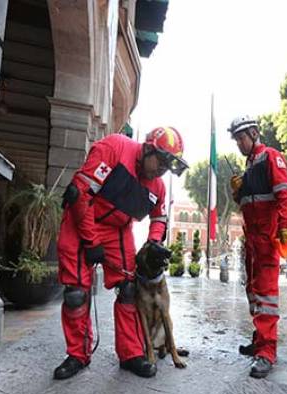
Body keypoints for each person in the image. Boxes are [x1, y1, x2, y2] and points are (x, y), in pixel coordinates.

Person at [53, 127, 189, 380]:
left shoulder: (157, 187)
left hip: (117, 229)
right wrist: (91, 241)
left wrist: (153, 244)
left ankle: (131, 354)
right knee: (75, 294)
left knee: (129, 289)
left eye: (166, 168)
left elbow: (159, 217)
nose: (160, 171)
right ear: (147, 148)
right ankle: (77, 355)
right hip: (81, 219)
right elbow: (79, 194)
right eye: (159, 162)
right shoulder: (114, 148)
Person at [228, 115, 287, 379]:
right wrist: (238, 192)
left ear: (255, 133)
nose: (239, 144)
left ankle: (267, 352)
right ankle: (259, 338)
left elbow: (284, 193)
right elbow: (249, 202)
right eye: (236, 141)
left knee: (266, 295)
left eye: (242, 138)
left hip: (267, 238)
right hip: (252, 240)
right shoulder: (249, 165)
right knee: (253, 291)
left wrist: (285, 226)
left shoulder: (271, 157)